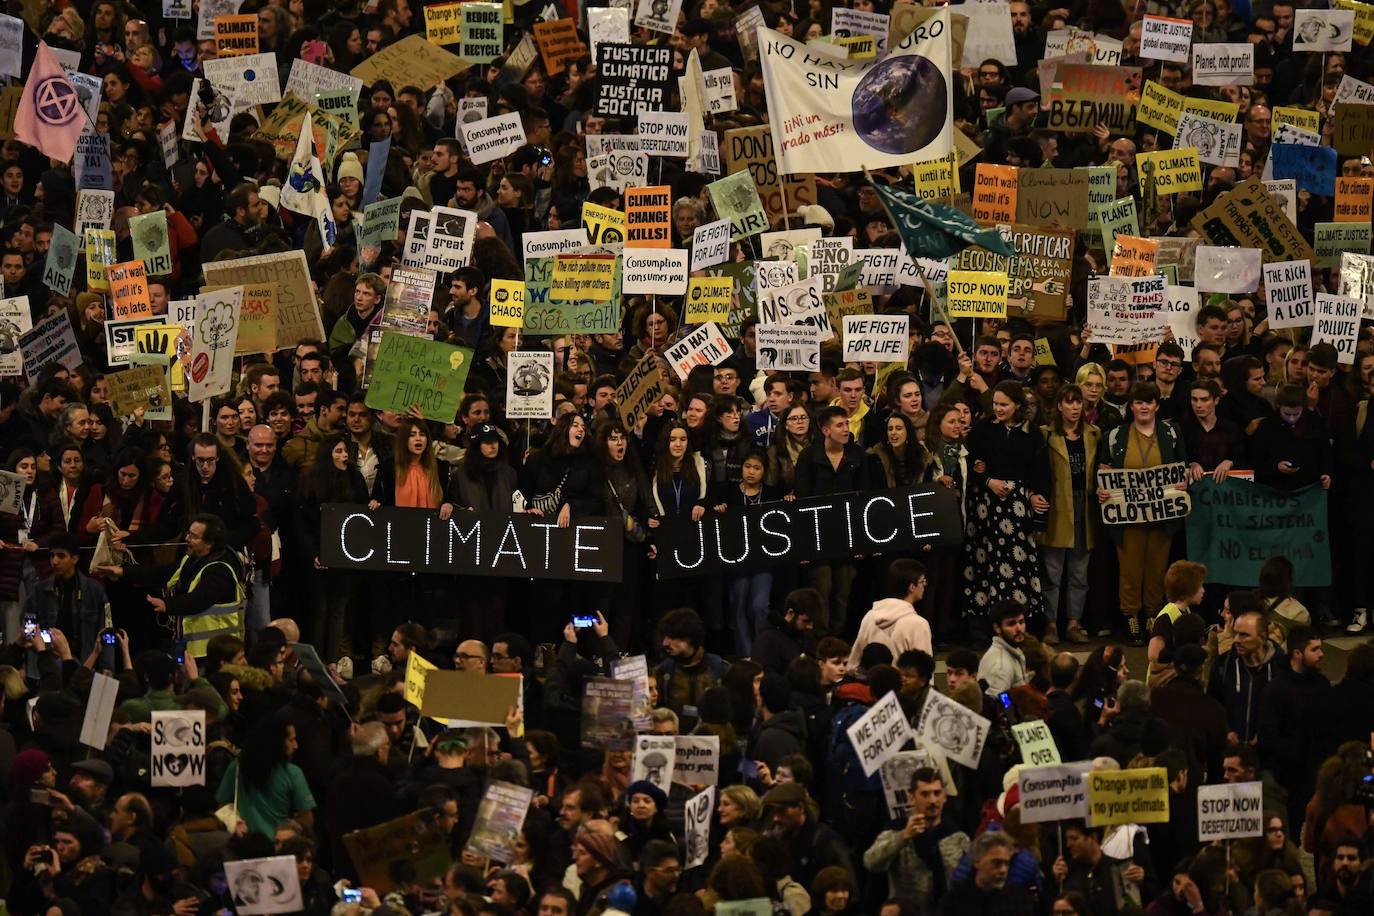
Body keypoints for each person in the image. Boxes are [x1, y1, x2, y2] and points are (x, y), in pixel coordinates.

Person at [1100, 383, 1189, 645]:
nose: (1143, 407)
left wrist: (1182, 482)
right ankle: (1131, 617)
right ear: (1131, 406)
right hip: (1128, 517)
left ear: (1156, 406)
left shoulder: (1171, 432)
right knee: (1130, 568)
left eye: (1148, 402)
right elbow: (1104, 471)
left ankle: (1153, 616)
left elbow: (1181, 466)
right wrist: (1104, 491)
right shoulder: (1115, 435)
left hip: (1162, 516)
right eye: (1138, 403)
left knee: (1157, 567)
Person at [1039, 384, 1099, 645]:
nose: (1075, 408)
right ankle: (1050, 624)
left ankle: (1074, 623)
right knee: (1052, 574)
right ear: (1059, 406)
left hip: (1084, 507)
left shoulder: (1095, 434)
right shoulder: (1045, 434)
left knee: (1079, 573)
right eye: (1069, 402)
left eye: (1079, 403)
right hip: (1057, 507)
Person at [864, 766, 970, 910]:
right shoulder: (896, 830)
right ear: (912, 797)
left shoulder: (957, 836)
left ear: (944, 797)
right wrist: (903, 837)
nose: (932, 800)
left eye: (937, 793)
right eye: (925, 794)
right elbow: (871, 862)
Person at [848, 559, 932, 667]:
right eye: (922, 581)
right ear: (911, 587)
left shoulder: (870, 616)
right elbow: (923, 670)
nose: (925, 585)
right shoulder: (918, 624)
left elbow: (854, 662)